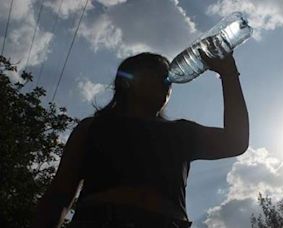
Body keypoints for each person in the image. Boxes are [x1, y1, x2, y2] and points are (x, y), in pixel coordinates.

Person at [31, 41, 249, 228]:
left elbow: (235, 141)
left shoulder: (181, 132)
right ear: (127, 81)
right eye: (156, 72)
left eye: (168, 78)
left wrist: (228, 73)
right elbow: (60, 194)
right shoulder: (93, 128)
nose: (166, 80)